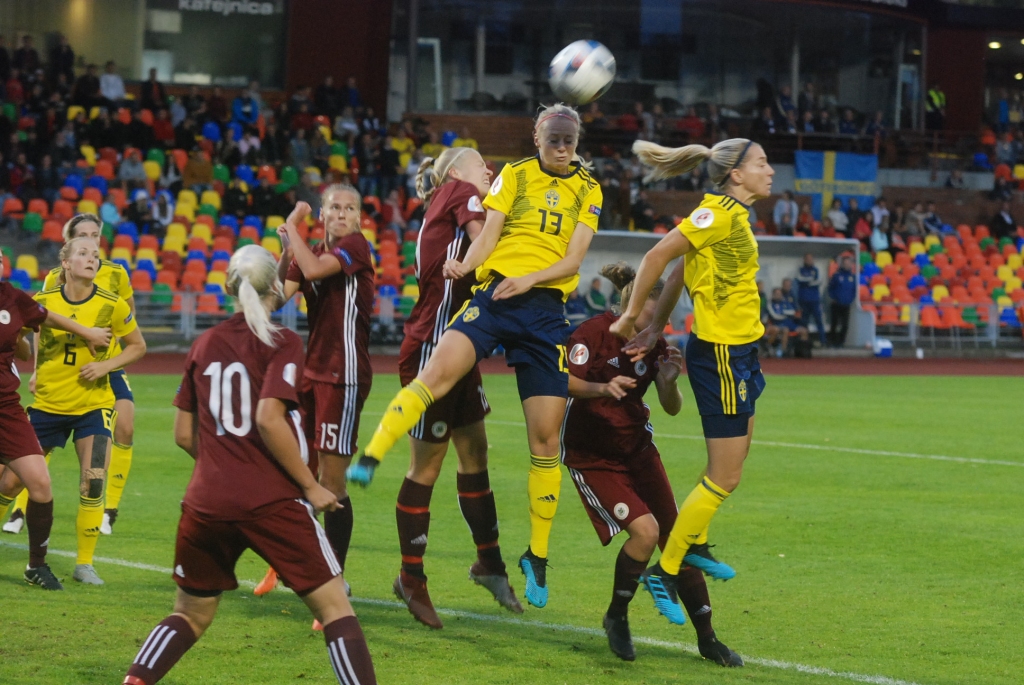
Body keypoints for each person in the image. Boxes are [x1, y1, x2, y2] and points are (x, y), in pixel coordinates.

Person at [352, 103, 603, 610]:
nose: (560, 146)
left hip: (538, 310)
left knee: (503, 446)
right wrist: (467, 264)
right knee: (432, 439)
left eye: (568, 140)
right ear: (536, 137)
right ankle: (379, 473)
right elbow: (484, 235)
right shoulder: (485, 184)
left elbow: (571, 256)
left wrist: (514, 274)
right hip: (469, 313)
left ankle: (509, 560)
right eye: (552, 137)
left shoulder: (588, 189)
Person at [120, 246, 377, 685]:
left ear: (230, 289)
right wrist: (311, 487)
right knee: (335, 609)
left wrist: (224, 464)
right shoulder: (283, 341)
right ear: (278, 286)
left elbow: (184, 435)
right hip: (269, 500)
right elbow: (267, 417)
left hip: (205, 501)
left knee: (191, 614)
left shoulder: (203, 342)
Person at [606, 136, 772, 624]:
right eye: (761, 163)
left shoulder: (733, 215)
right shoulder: (715, 213)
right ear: (736, 174)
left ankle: (692, 542)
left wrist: (658, 325)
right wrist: (632, 314)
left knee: (733, 466)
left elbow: (682, 266)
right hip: (721, 354)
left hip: (741, 352)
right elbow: (658, 255)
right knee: (726, 475)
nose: (770, 170)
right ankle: (668, 568)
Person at [563, 262, 743, 667]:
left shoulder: (656, 346)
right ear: (635, 302)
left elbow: (672, 409)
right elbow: (561, 381)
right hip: (592, 457)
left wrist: (668, 383)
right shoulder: (593, 333)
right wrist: (601, 387)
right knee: (645, 534)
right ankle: (617, 617)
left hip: (639, 452)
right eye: (655, 309)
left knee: (681, 537)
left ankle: (708, 638)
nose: (662, 319)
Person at [387, 148, 523, 629]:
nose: (489, 170)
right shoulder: (461, 192)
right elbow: (482, 239)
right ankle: (411, 578)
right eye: (481, 163)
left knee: (475, 451)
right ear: (455, 172)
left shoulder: (445, 198)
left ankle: (488, 563)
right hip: (433, 346)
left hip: (457, 346)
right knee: (427, 465)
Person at [263, 186, 374, 606]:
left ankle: (336, 580)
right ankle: (291, 565)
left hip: (343, 376)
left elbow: (311, 271)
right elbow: (276, 297)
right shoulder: (309, 250)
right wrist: (279, 256)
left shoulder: (356, 247)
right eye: (335, 208)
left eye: (350, 208)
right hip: (311, 376)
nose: (342, 214)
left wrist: (291, 227)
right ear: (324, 215)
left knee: (331, 481)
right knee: (298, 472)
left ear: (359, 217)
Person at [17, 237, 145, 585]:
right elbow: (19, 340)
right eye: (84, 254)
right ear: (66, 264)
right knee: (10, 481)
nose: (92, 259)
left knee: (93, 481)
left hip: (93, 406)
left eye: (96, 255)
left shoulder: (113, 305)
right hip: (46, 406)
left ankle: (84, 564)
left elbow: (138, 346)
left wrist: (106, 368)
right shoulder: (41, 303)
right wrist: (34, 373)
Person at [0, 268, 112, 590]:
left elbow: (45, 318)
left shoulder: (11, 296)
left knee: (39, 482)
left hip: (7, 408)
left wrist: (88, 333)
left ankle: (36, 565)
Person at [795, 253, 826, 346]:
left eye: (810, 259)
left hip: (815, 301)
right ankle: (804, 342)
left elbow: (819, 281)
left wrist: (807, 281)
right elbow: (799, 279)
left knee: (819, 321)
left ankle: (823, 341)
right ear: (804, 260)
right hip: (803, 301)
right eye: (807, 259)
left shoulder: (816, 270)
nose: (809, 261)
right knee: (804, 322)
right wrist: (810, 280)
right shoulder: (800, 270)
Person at [827, 256, 857, 347]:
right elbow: (830, 288)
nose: (847, 265)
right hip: (836, 304)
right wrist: (833, 298)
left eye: (849, 263)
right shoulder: (836, 276)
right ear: (842, 264)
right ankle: (832, 342)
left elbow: (854, 291)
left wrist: (851, 300)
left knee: (845, 325)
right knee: (834, 324)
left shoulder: (852, 277)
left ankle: (841, 342)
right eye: (845, 263)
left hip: (846, 305)